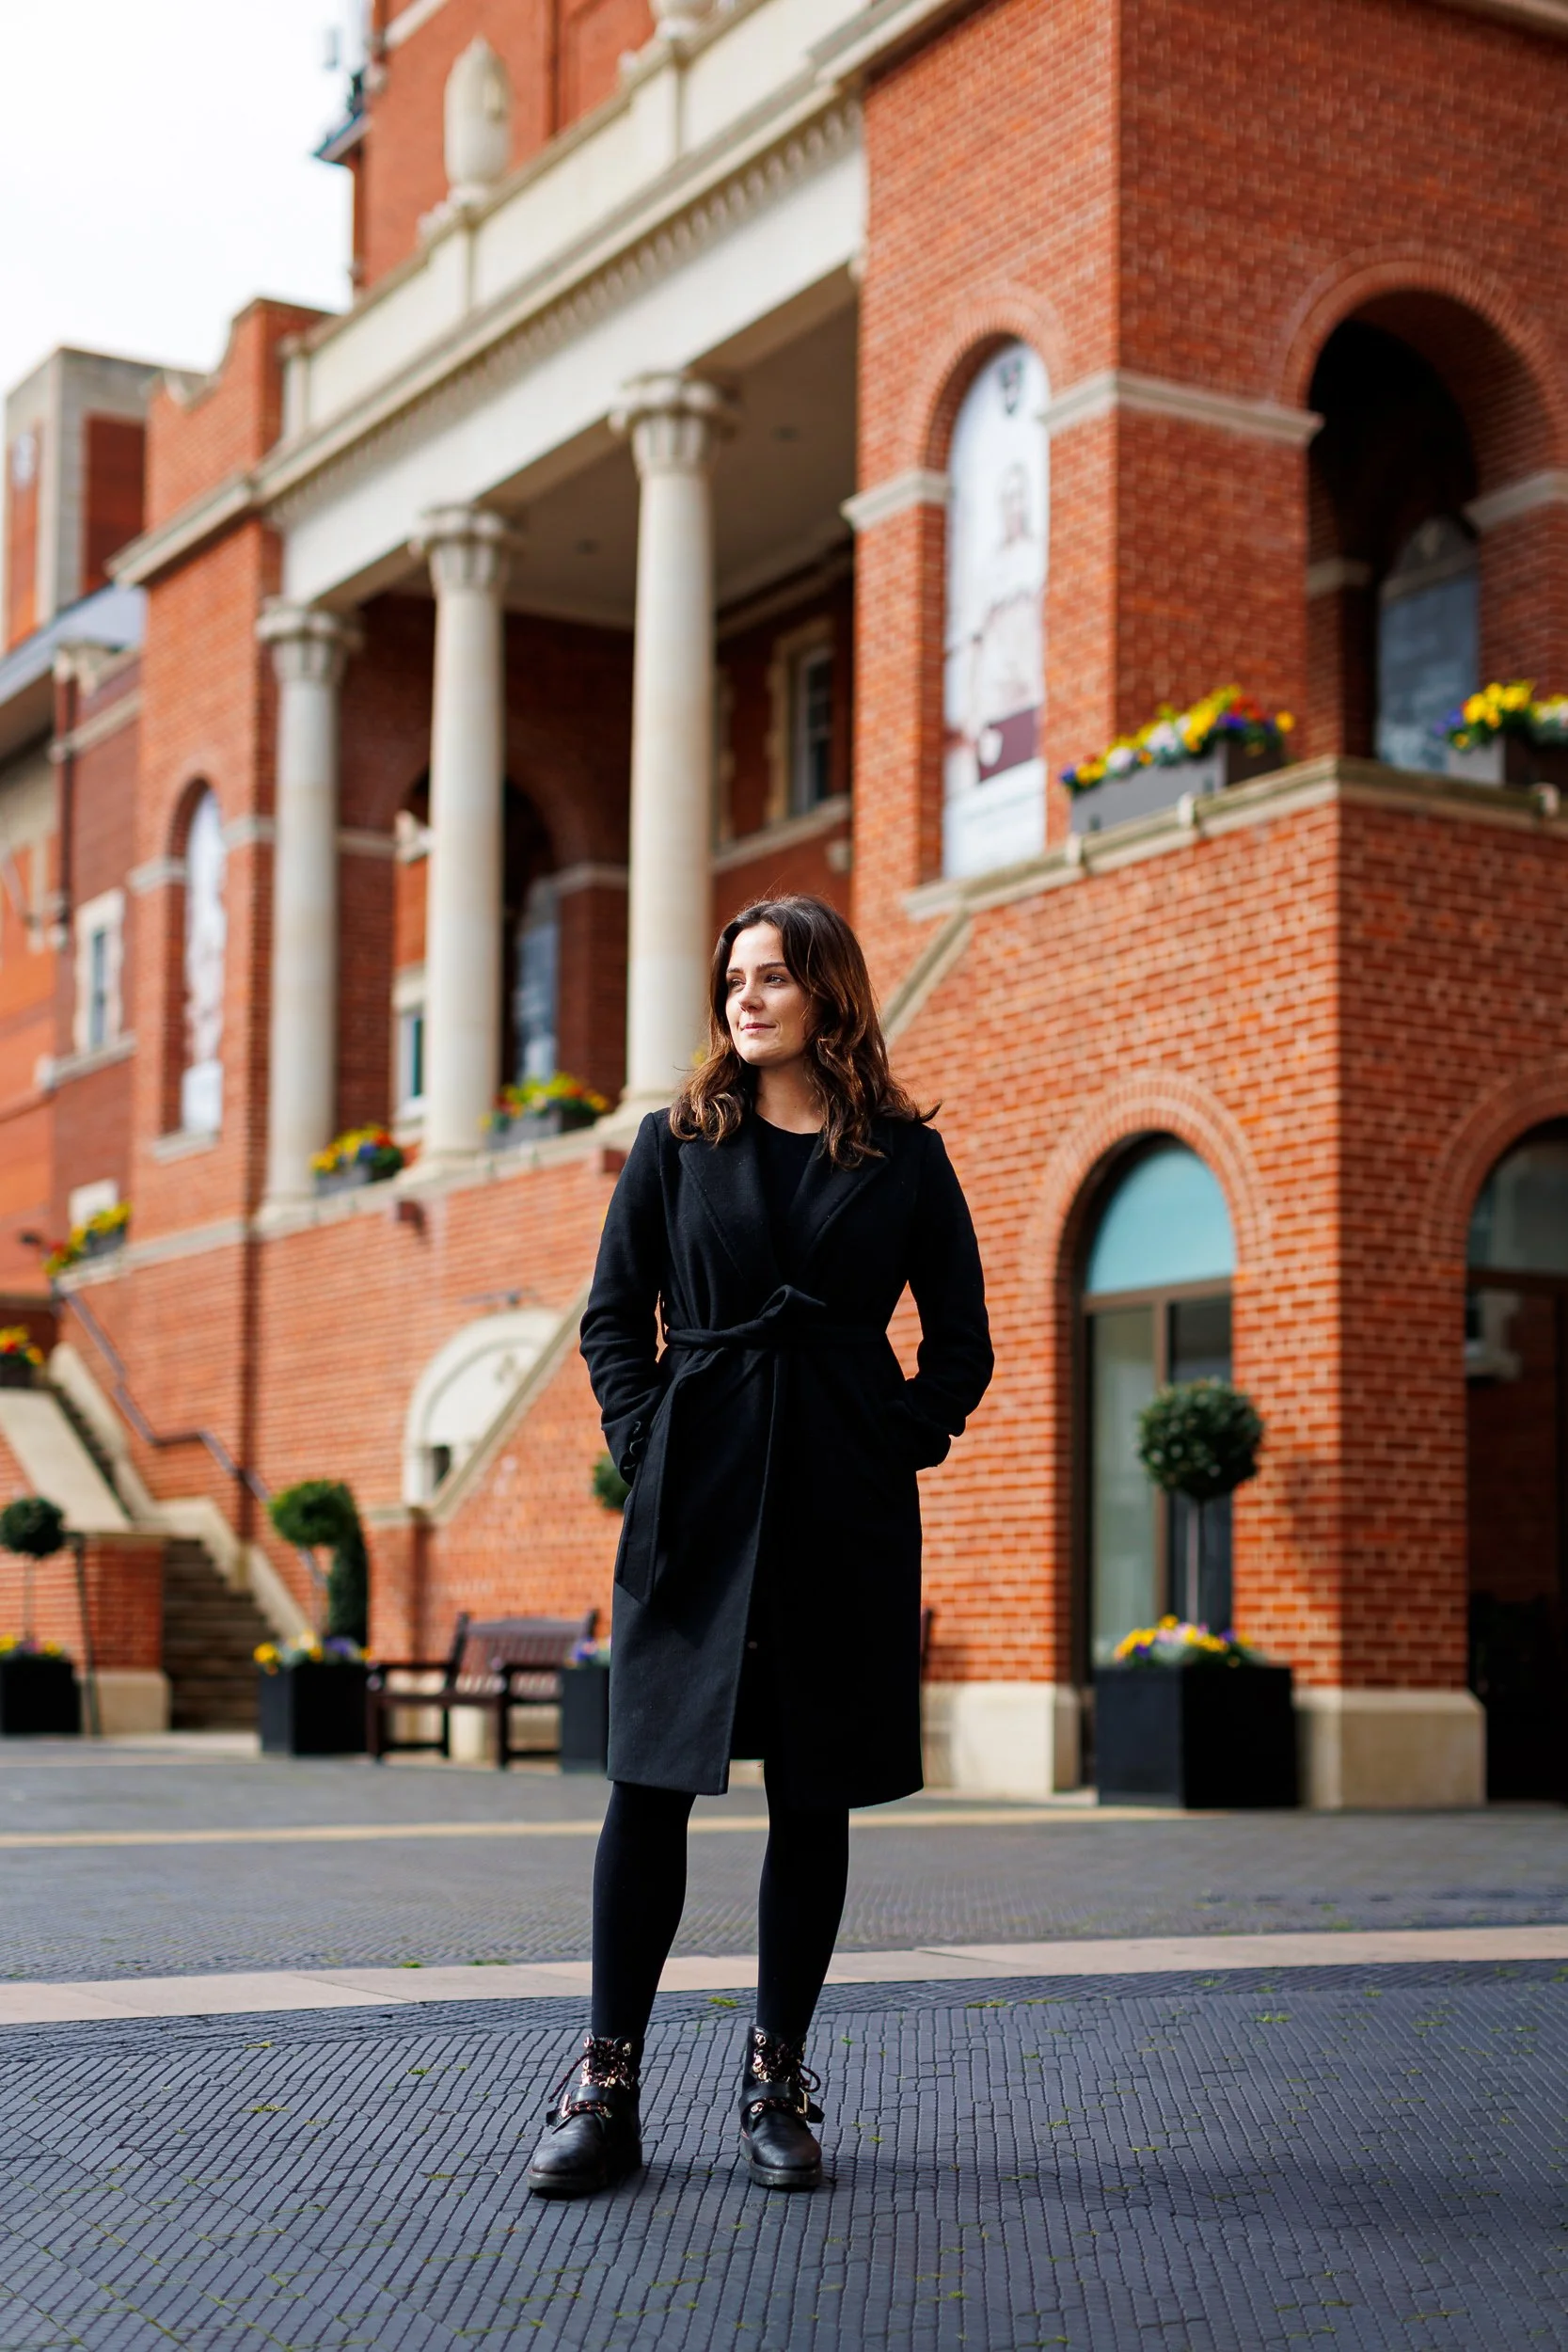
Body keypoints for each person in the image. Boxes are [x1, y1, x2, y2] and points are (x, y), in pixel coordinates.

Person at [526, 893, 993, 2199]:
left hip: (840, 1499)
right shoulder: (672, 1142)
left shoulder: (902, 1156)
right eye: (735, 976)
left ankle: (776, 2081)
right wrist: (648, 1438)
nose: (747, 996)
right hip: (701, 1482)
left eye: (776, 976)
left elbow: (961, 1342)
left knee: (813, 1788)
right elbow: (615, 1319)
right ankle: (603, 2085)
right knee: (648, 1780)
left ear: (828, 995)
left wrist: (890, 1435)